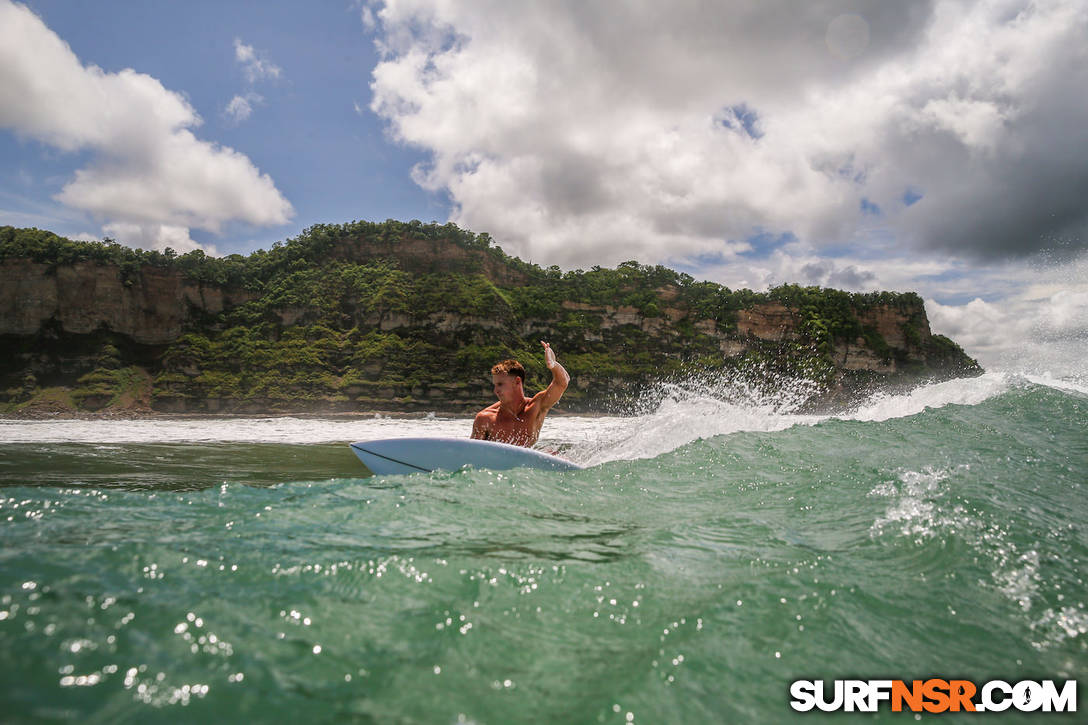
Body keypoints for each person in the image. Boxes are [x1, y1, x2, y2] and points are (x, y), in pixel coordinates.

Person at [471, 341, 570, 447]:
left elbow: (562, 382)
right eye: (495, 385)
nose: (496, 390)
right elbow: (472, 455)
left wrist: (553, 365)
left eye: (500, 384)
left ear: (517, 381)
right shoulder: (485, 419)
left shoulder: (535, 407)